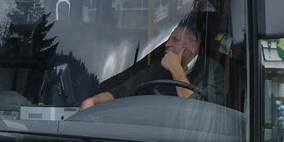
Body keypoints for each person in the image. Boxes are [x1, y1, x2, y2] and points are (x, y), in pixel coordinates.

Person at [81, 20, 225, 109]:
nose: (167, 45)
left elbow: (200, 114)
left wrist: (176, 70)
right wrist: (94, 101)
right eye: (167, 40)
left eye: (175, 40)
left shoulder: (213, 71)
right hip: (154, 140)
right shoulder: (156, 69)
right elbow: (120, 92)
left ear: (194, 47)